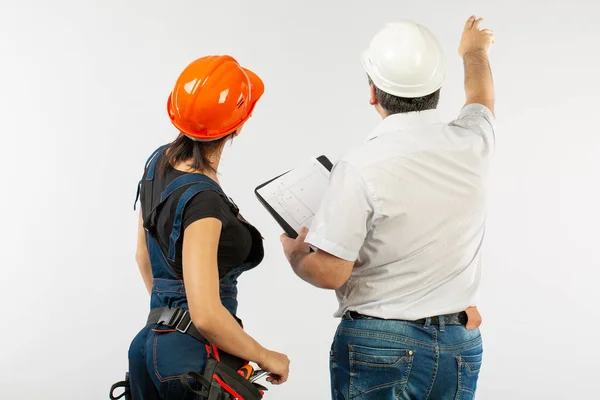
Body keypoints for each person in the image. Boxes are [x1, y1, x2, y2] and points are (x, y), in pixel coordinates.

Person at [280, 16, 495, 399]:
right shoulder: (474, 141)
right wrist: (474, 51)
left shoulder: (361, 165)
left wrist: (297, 254)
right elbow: (481, 96)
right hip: (459, 342)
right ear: (437, 87)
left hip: (379, 344)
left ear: (372, 94)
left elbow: (330, 272)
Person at [128, 55, 289, 399]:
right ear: (238, 124)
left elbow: (144, 257)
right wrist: (263, 355)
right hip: (191, 361)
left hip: (148, 348)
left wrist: (169, 319)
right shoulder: (203, 200)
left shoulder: (156, 163)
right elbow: (205, 315)